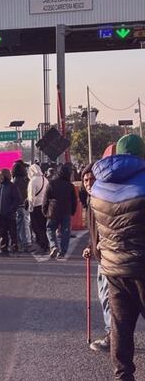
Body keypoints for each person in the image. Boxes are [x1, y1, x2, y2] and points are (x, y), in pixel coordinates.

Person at [90, 134, 145, 380]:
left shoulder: (98, 186)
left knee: (121, 326)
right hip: (141, 265)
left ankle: (123, 375)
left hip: (113, 267)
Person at [80, 164, 112, 353]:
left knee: (108, 297)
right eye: (85, 180)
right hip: (104, 255)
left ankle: (112, 336)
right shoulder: (92, 199)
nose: (89, 183)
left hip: (110, 257)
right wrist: (90, 246)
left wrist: (100, 244)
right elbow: (95, 231)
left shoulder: (102, 200)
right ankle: (113, 334)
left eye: (92, 179)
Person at [43, 163, 78, 259]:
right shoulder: (70, 186)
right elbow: (74, 200)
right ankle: (62, 252)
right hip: (66, 210)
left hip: (53, 210)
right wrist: (73, 211)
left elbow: (46, 199)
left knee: (50, 229)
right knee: (65, 232)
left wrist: (45, 210)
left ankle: (53, 246)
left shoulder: (51, 183)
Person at [0, 168, 21, 257]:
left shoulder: (12, 186)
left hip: (9, 214)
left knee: (13, 233)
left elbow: (17, 199)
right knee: (2, 232)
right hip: (0, 214)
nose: (0, 177)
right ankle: (3, 249)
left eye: (2, 176)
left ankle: (14, 249)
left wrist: (12, 209)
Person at [27, 164, 50, 255]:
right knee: (44, 226)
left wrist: (30, 207)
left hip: (36, 206)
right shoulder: (45, 179)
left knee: (37, 227)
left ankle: (41, 245)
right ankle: (46, 244)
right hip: (44, 205)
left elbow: (31, 196)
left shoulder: (33, 181)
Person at [12, 160, 32, 252]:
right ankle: (26, 242)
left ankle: (19, 243)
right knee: (25, 224)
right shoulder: (26, 181)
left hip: (17, 206)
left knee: (19, 225)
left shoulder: (14, 182)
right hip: (25, 205)